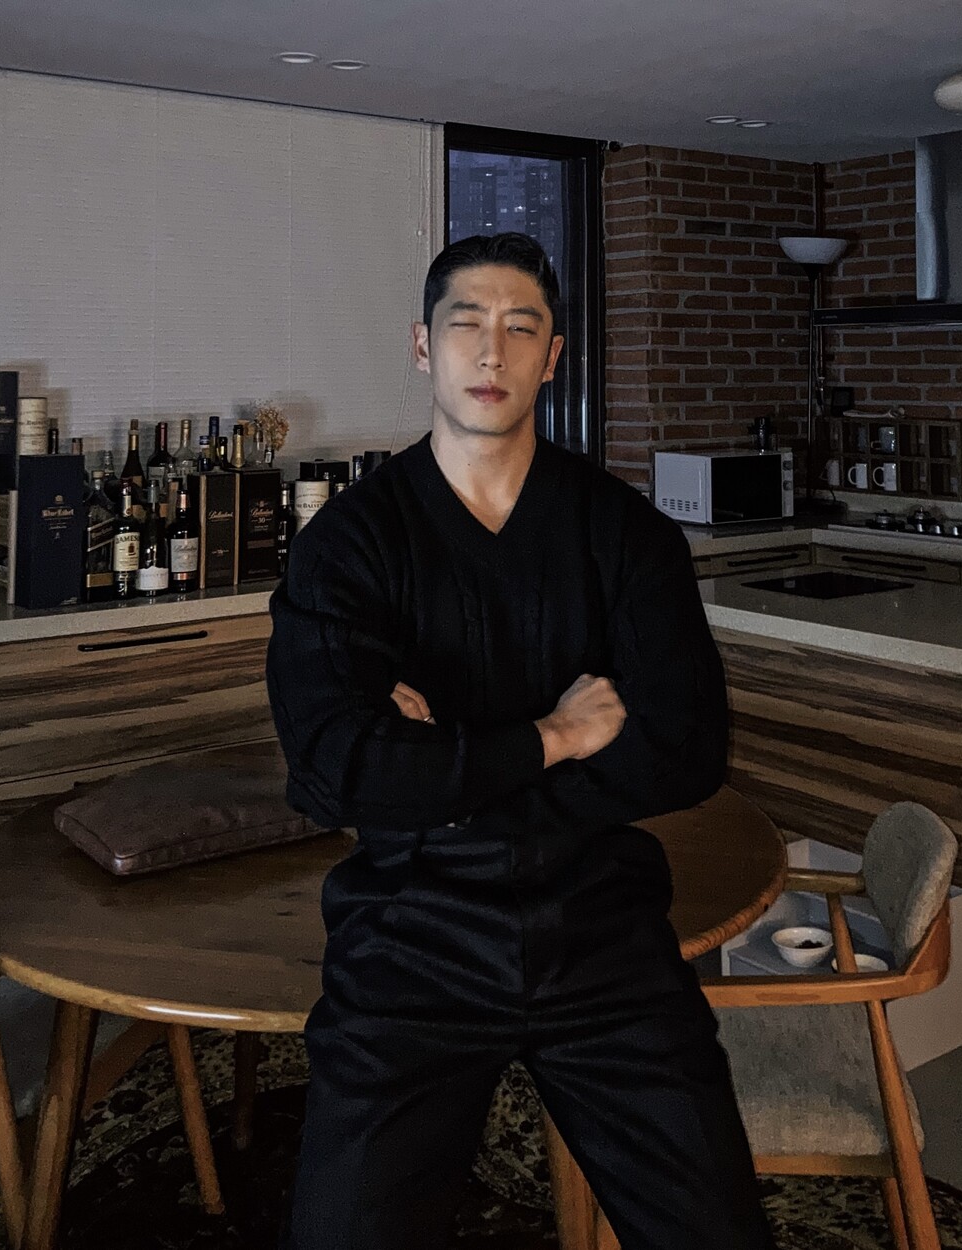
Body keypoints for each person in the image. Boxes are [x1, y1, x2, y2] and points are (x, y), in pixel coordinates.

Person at [266, 232, 775, 1249]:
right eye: (466, 324)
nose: (490, 351)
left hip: (603, 937)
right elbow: (335, 771)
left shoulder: (626, 534)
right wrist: (555, 735)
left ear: (553, 358)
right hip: (408, 940)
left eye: (520, 327)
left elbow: (685, 750)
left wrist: (440, 772)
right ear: (424, 345)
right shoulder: (349, 544)